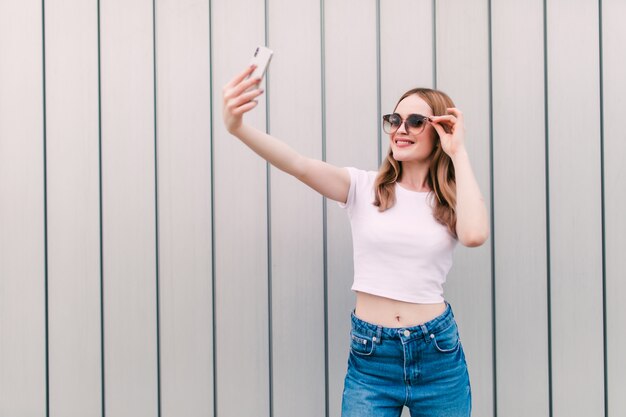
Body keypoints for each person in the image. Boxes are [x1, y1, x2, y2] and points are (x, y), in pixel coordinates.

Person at [223, 65, 489, 417]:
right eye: (395, 120)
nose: (400, 129)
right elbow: (297, 164)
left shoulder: (449, 202)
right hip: (372, 357)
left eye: (415, 121)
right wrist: (237, 127)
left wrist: (459, 152)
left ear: (439, 130)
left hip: (437, 354)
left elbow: (474, 236)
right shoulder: (363, 188)